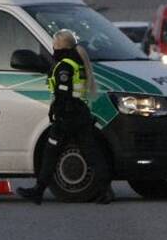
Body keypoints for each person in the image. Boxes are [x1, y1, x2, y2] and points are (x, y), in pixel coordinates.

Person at [17, 30, 112, 205]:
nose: (53, 47)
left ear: (61, 46)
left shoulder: (65, 66)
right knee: (91, 153)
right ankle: (105, 190)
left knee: (51, 153)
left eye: (54, 44)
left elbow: (63, 93)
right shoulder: (78, 62)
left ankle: (38, 191)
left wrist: (57, 113)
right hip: (80, 114)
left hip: (68, 116)